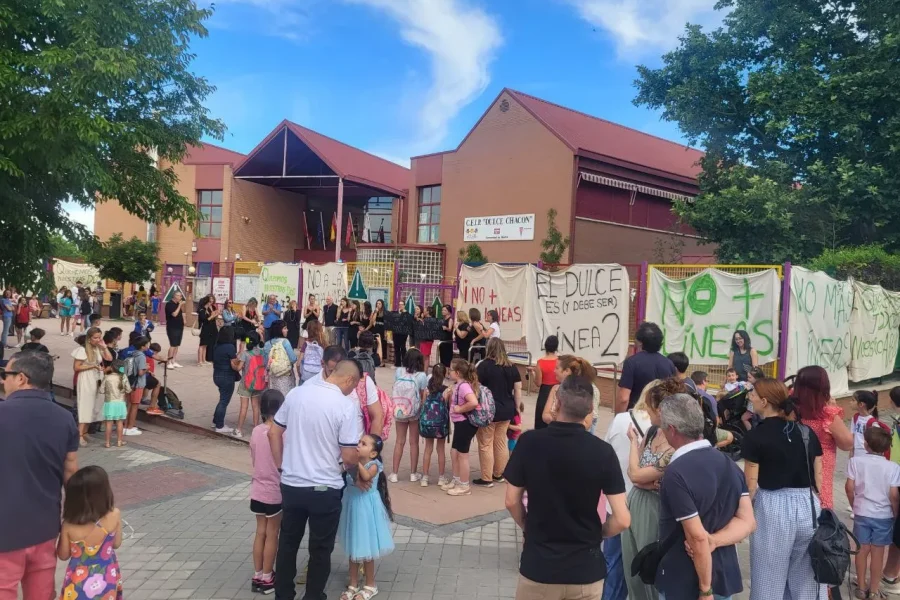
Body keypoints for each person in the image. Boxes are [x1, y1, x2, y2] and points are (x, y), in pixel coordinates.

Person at [504, 375, 631, 599]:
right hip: (585, 570)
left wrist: (526, 525)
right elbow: (622, 519)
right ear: (590, 409)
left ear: (558, 403)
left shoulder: (529, 442)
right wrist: (597, 535)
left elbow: (511, 500)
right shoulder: (603, 452)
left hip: (539, 567)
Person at [268, 360, 363, 600]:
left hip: (292, 484)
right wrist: (352, 465)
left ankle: (284, 594)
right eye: (355, 385)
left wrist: (281, 466)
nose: (353, 391)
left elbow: (274, 431)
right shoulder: (345, 405)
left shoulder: (296, 393)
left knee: (288, 542)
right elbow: (349, 454)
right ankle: (313, 595)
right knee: (320, 548)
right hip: (325, 487)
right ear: (350, 379)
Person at [656, 393, 755, 600]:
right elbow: (748, 521)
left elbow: (697, 537)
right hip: (723, 573)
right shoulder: (728, 464)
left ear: (672, 430)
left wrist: (705, 589)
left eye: (663, 426)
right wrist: (716, 540)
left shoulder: (676, 473)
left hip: (687, 579)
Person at [0, 351, 79, 599]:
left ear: (21, 378)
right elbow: (71, 474)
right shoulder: (65, 418)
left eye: (6, 375)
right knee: (42, 593)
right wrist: (78, 517)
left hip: (5, 530)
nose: (3, 381)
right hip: (45, 528)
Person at [741, 378, 826, 600]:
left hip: (773, 505)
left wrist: (742, 517)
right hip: (808, 505)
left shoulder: (755, 436)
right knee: (807, 577)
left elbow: (750, 485)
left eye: (753, 394)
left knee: (769, 575)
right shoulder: (806, 432)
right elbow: (819, 477)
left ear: (765, 401)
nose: (750, 397)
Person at [620, 378, 683, 600]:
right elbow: (635, 476)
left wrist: (633, 446)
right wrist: (646, 478)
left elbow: (636, 472)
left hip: (655, 508)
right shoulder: (652, 432)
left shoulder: (675, 443)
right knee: (631, 564)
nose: (645, 408)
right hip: (635, 500)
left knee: (649, 564)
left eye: (648, 405)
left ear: (660, 409)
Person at [602, 380, 658, 600]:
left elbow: (607, 449)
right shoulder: (664, 427)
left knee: (613, 564)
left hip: (616, 502)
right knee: (644, 566)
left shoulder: (620, 419)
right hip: (647, 506)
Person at [337, 434, 395, 600]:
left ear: (373, 454)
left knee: (366, 547)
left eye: (363, 444)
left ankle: (370, 584)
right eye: (358, 442)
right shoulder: (351, 464)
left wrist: (353, 461)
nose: (358, 445)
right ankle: (353, 584)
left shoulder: (373, 465)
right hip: (351, 506)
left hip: (366, 509)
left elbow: (366, 477)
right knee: (353, 546)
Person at [847, 426, 900, 599]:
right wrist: (895, 513)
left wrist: (854, 504)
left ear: (866, 444)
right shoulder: (893, 467)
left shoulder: (855, 461)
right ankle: (874, 590)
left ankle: (861, 588)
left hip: (862, 512)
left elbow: (849, 488)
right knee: (878, 553)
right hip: (883, 516)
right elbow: (894, 495)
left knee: (861, 550)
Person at [56, 466, 123, 600]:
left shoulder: (69, 525)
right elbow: (116, 543)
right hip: (107, 578)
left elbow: (63, 555)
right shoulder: (114, 514)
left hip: (78, 584)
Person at [792, 365, 853, 508]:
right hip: (820, 474)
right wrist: (833, 409)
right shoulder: (827, 415)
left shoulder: (791, 410)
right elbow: (847, 443)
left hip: (793, 471)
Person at [249, 390, 285, 595]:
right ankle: (268, 576)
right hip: (274, 490)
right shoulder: (282, 433)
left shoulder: (256, 431)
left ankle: (257, 574)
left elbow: (254, 457)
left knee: (260, 532)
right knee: (273, 533)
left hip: (257, 488)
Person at [474, 338, 522, 487]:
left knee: (486, 443)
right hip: (507, 409)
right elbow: (518, 390)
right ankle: (499, 473)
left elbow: (476, 388)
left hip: (489, 410)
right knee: (501, 441)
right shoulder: (512, 367)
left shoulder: (483, 366)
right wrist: (517, 409)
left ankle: (486, 477)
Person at [617, 321, 676, 413]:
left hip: (636, 415)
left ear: (640, 342)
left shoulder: (632, 362)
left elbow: (623, 398)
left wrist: (619, 417)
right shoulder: (669, 363)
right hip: (660, 416)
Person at [442, 358, 480, 496]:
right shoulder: (459, 385)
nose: (449, 372)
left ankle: (464, 486)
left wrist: (459, 409)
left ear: (457, 372)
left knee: (462, 455)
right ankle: (457, 480)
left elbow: (473, 402)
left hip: (465, 423)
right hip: (459, 423)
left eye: (451, 370)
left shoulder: (464, 386)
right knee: (455, 452)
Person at [389, 348, 428, 483]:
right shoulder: (422, 376)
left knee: (399, 441)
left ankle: (394, 473)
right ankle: (413, 473)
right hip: (414, 411)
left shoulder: (399, 371)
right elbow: (423, 394)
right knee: (414, 442)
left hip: (400, 409)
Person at [72, 327, 113, 445]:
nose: (98, 340)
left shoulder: (97, 348)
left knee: (95, 405)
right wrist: (93, 366)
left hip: (97, 377)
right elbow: (76, 367)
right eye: (95, 338)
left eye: (99, 337)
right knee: (86, 404)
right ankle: (79, 435)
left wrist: (104, 347)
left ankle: (85, 432)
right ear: (89, 338)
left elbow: (109, 358)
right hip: (86, 378)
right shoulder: (82, 350)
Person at [542, 355, 601, 433]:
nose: (554, 371)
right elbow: (545, 415)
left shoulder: (585, 391)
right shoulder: (555, 389)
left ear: (567, 371)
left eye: (557, 368)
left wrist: (558, 420)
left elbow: (587, 423)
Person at [419, 364, 450, 487]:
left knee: (428, 449)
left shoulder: (427, 389)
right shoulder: (446, 390)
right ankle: (441, 477)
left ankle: (425, 477)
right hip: (441, 424)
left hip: (428, 423)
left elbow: (423, 404)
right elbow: (449, 406)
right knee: (441, 450)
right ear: (444, 375)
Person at [235, 331, 266, 437]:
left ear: (248, 341)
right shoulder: (262, 352)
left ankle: (239, 429)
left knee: (244, 407)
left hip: (246, 383)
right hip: (258, 383)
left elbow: (239, 368)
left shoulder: (245, 354)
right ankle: (256, 428)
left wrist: (233, 365)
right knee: (255, 407)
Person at [211, 327, 240, 434]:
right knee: (224, 401)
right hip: (227, 376)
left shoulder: (216, 346)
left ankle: (216, 420)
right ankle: (219, 425)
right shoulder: (230, 347)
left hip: (217, 374)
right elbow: (234, 365)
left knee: (222, 398)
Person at [263, 320, 297, 396]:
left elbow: (265, 362)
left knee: (275, 398)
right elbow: (293, 359)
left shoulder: (267, 344)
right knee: (286, 397)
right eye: (285, 328)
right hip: (286, 375)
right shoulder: (285, 342)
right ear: (279, 330)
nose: (287, 330)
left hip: (273, 376)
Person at [532, 335, 559, 431]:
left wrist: (533, 373)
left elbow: (538, 383)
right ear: (556, 347)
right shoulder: (560, 362)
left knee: (541, 419)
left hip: (544, 392)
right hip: (557, 391)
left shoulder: (540, 362)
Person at [125, 336, 150, 436]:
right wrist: (147, 368)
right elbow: (140, 372)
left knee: (129, 404)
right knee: (135, 405)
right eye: (147, 344)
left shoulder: (132, 353)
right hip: (138, 384)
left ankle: (125, 425)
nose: (148, 346)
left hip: (130, 382)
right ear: (143, 346)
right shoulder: (141, 356)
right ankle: (130, 427)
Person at [102, 360, 131, 448]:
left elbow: (101, 390)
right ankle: (119, 441)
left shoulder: (107, 377)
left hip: (109, 402)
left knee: (109, 423)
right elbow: (129, 390)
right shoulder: (124, 377)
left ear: (112, 367)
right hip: (120, 403)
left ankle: (107, 443)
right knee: (119, 423)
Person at [852, 390, 882, 458]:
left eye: (853, 400)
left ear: (861, 404)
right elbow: (853, 436)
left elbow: (877, 441)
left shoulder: (872, 422)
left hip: (867, 454)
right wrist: (852, 451)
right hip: (856, 453)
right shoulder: (855, 417)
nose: (850, 402)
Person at [164, 291, 186, 368]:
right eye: (178, 295)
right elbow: (174, 314)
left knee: (177, 344)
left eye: (181, 296)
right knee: (173, 344)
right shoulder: (169, 304)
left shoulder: (177, 304)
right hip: (172, 327)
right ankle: (169, 362)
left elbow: (180, 314)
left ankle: (174, 361)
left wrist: (184, 320)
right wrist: (180, 305)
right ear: (174, 296)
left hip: (179, 326)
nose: (180, 297)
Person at [198, 294, 220, 366]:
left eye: (212, 300)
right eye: (209, 301)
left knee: (206, 345)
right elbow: (205, 319)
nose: (211, 303)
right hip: (205, 328)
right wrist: (212, 315)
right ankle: (200, 361)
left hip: (211, 327)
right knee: (202, 344)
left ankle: (204, 360)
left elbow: (213, 318)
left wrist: (216, 314)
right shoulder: (202, 309)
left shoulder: (212, 307)